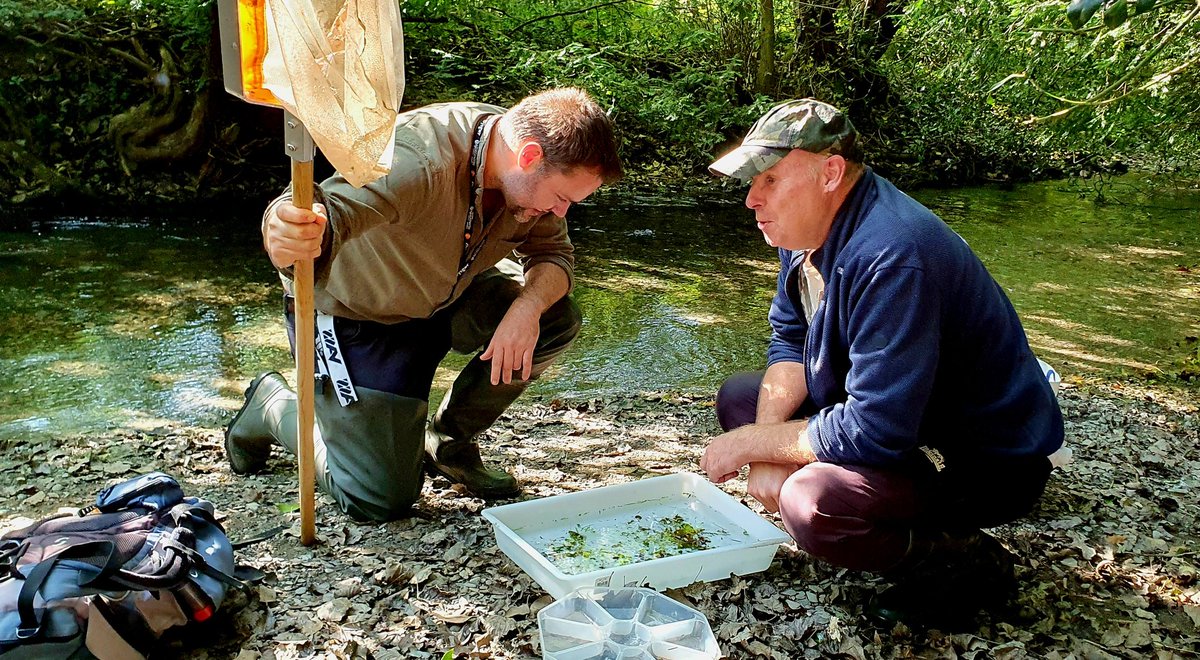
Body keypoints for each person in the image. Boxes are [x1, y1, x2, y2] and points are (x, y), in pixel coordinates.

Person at [700, 99, 1065, 629]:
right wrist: (763, 444)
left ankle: (964, 562)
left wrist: (752, 445)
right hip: (909, 425)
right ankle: (889, 501)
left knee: (810, 503)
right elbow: (791, 341)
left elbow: (874, 429)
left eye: (771, 180)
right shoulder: (806, 231)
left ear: (830, 173)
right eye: (754, 182)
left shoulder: (894, 254)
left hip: (983, 464)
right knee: (743, 399)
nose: (752, 199)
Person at [224, 87, 622, 522]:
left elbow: (554, 256)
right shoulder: (415, 159)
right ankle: (273, 406)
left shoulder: (522, 163)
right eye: (562, 198)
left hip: (447, 295)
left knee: (554, 317)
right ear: (528, 157)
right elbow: (322, 212)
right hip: (359, 316)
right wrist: (286, 228)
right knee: (378, 499)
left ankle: (448, 442)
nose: (561, 212)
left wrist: (526, 309)